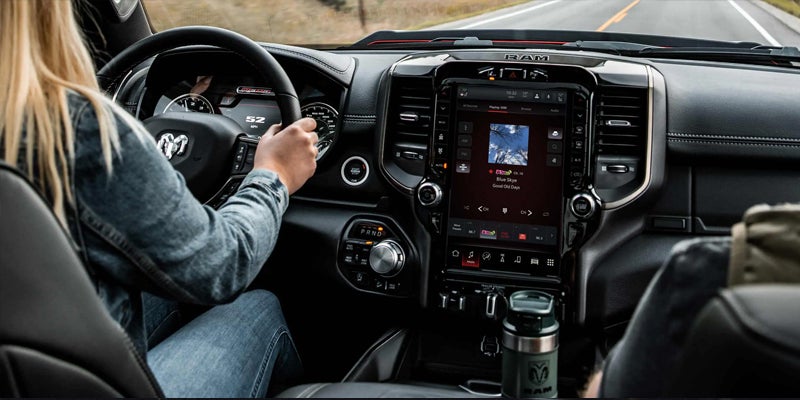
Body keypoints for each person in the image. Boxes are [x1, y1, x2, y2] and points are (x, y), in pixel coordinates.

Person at [0, 0, 318, 397]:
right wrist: (274, 174)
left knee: (165, 291)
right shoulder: (75, 129)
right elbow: (224, 264)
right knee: (257, 307)